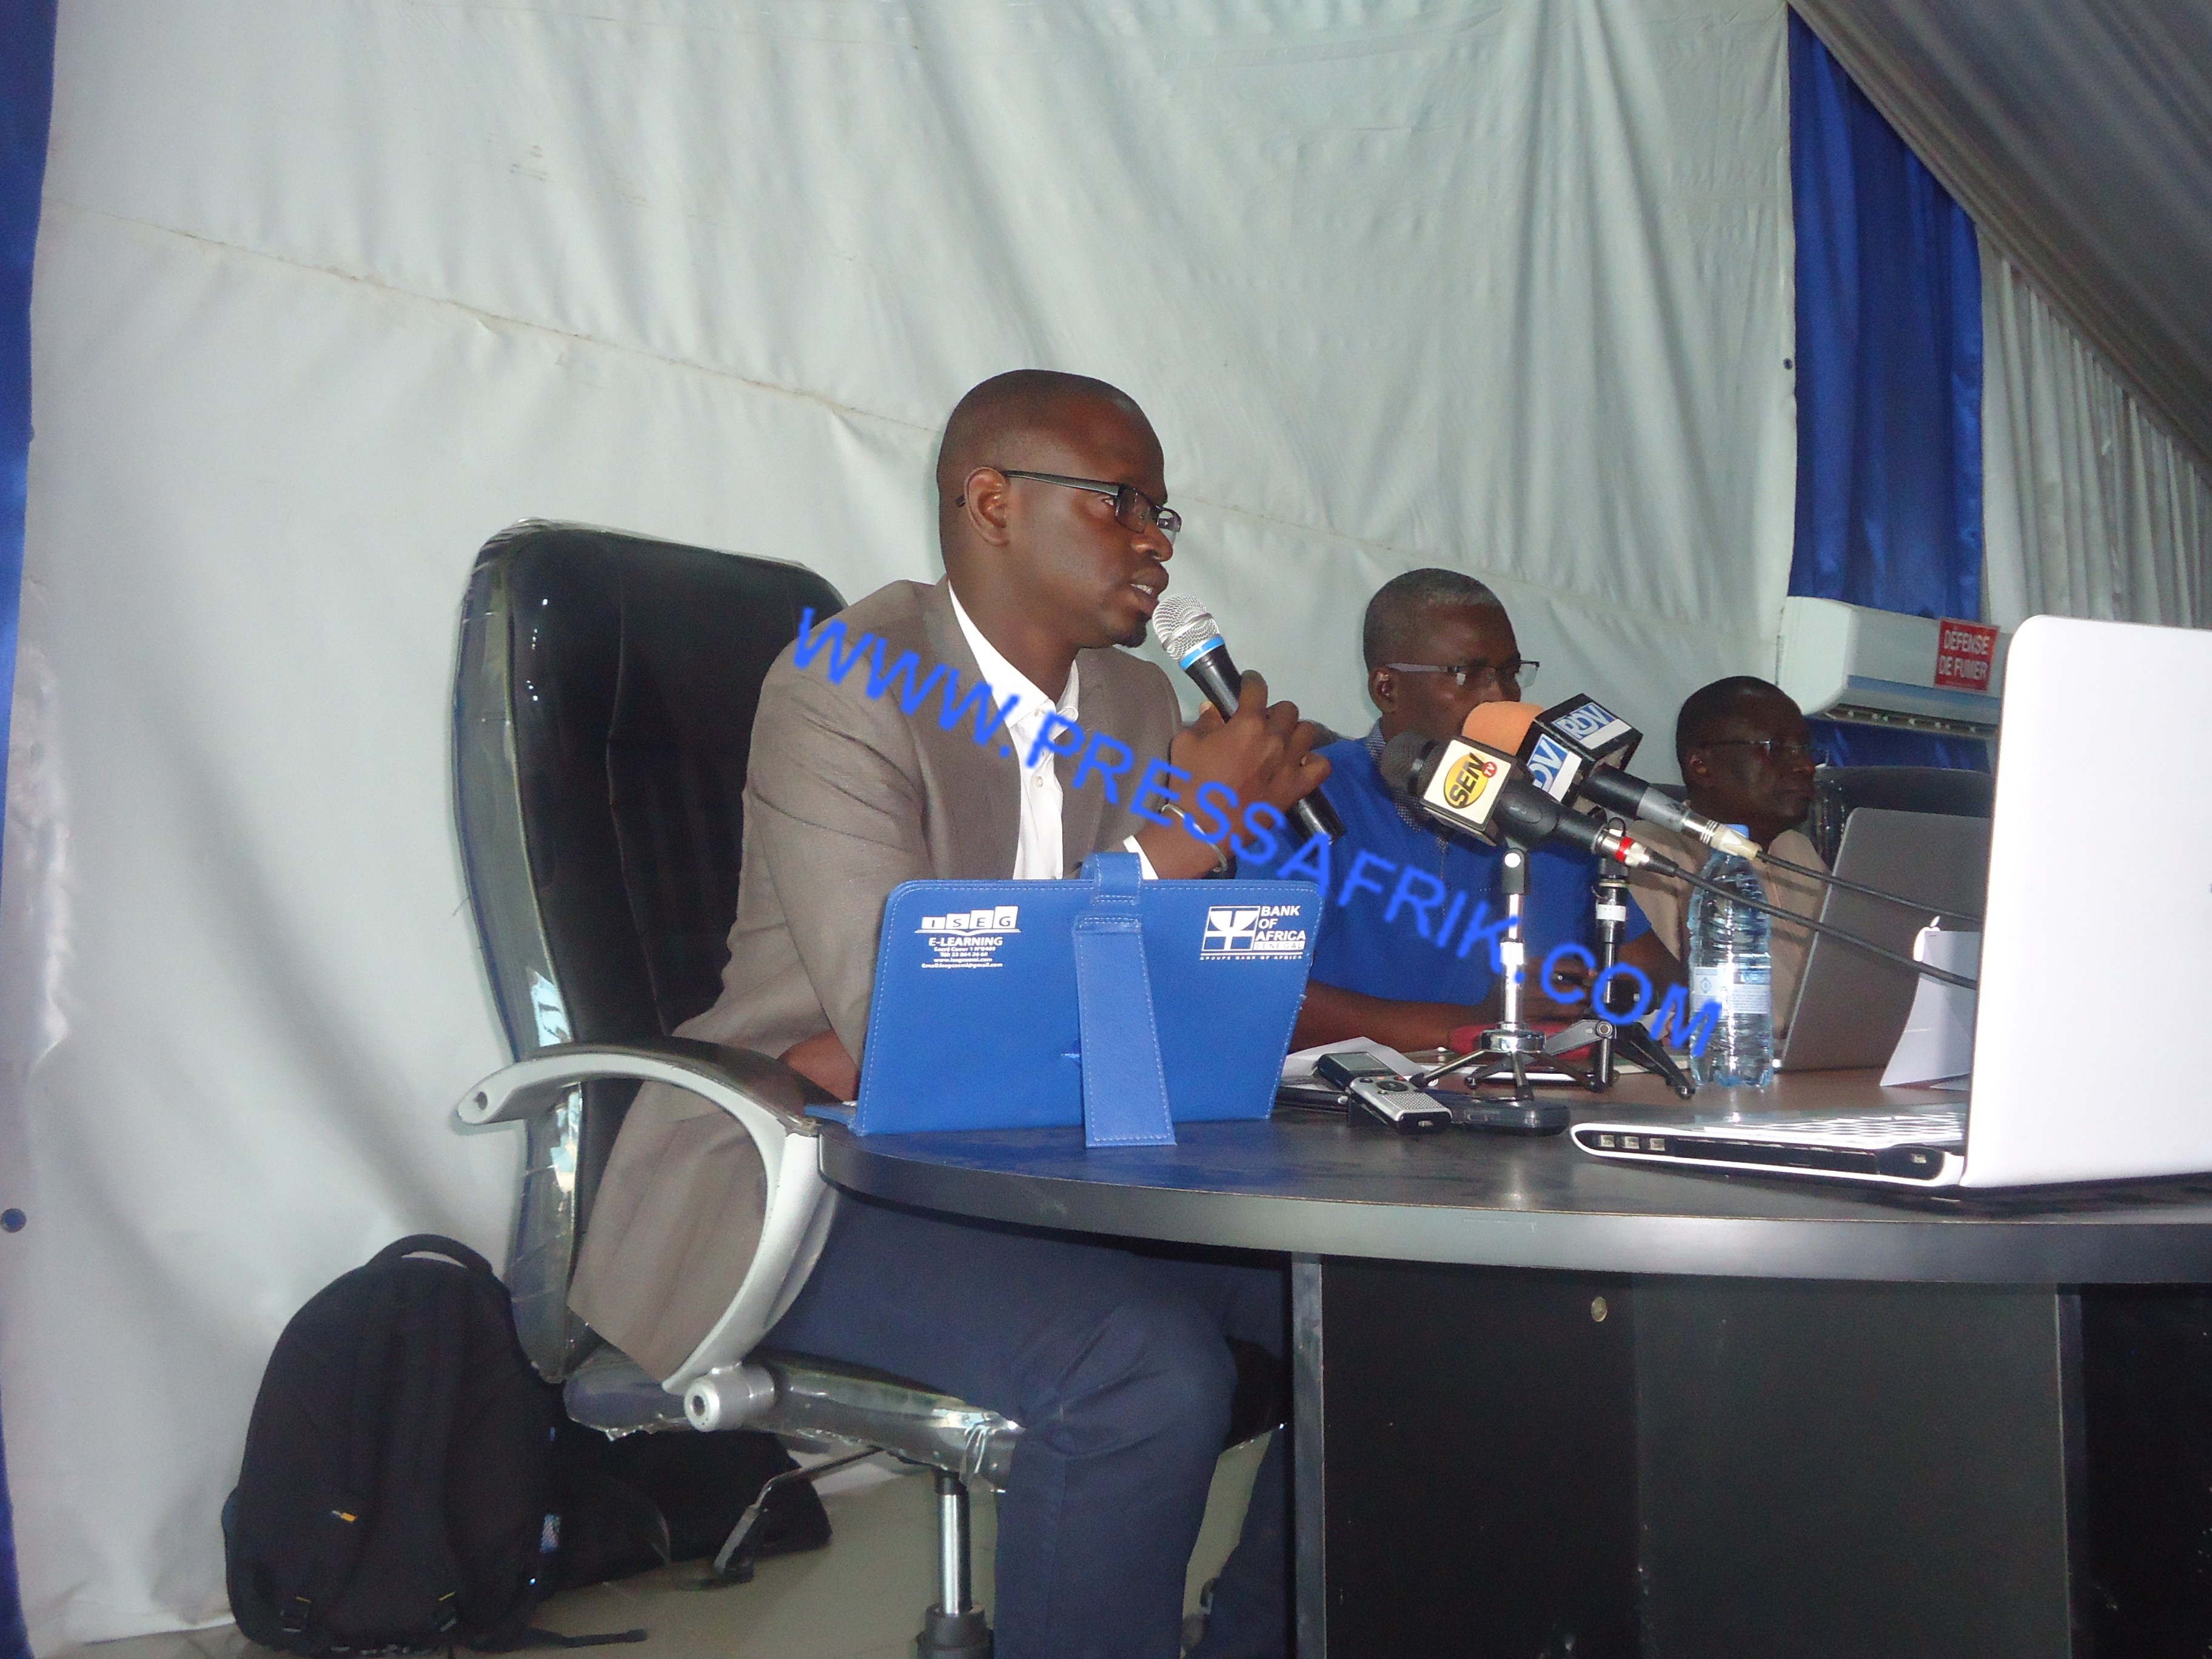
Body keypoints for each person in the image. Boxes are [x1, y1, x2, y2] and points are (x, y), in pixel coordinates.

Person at [569, 369, 1330, 1659]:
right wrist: (1179, 843)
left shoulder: (1140, 707)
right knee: (1143, 1373)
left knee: (1366, 1314)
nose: (1157, 541)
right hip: (811, 1171)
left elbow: (1137, 992)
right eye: (1120, 502)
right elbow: (904, 1025)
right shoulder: (848, 680)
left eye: (1164, 514)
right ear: (991, 501)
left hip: (1045, 1161)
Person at [1275, 569, 1664, 1052]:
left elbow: (1661, 981)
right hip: (1349, 1111)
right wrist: (1485, 1021)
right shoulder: (1304, 793)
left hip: (1534, 1104)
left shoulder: (1543, 812)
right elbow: (1264, 996)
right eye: (1468, 675)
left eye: (1508, 674)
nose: (1500, 696)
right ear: (1386, 688)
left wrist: (1596, 995)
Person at [1623, 675, 1830, 1033]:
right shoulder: (1650, 851)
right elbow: (1669, 1016)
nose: (1805, 766)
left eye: (1804, 748)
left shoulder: (1797, 850)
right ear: (1701, 766)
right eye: (1775, 747)